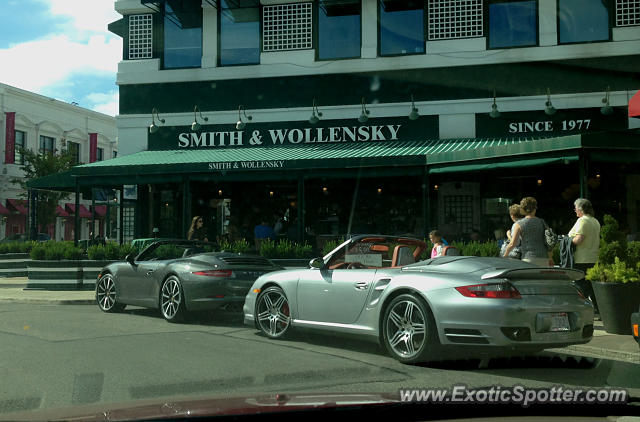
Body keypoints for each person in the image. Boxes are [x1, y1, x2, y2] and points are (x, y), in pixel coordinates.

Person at [568, 198, 601, 311]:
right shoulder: (595, 221)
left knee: (580, 285)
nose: (575, 210)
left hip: (581, 258)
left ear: (581, 209)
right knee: (591, 286)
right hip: (593, 257)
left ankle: (580, 308)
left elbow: (579, 239)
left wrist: (567, 241)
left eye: (576, 208)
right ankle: (597, 309)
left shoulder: (582, 221)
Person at [503, 197, 553, 266]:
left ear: (522, 209)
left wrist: (504, 256)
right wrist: (550, 258)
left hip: (528, 259)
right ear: (535, 209)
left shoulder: (519, 224)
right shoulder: (542, 222)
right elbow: (548, 242)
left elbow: (512, 244)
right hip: (544, 259)